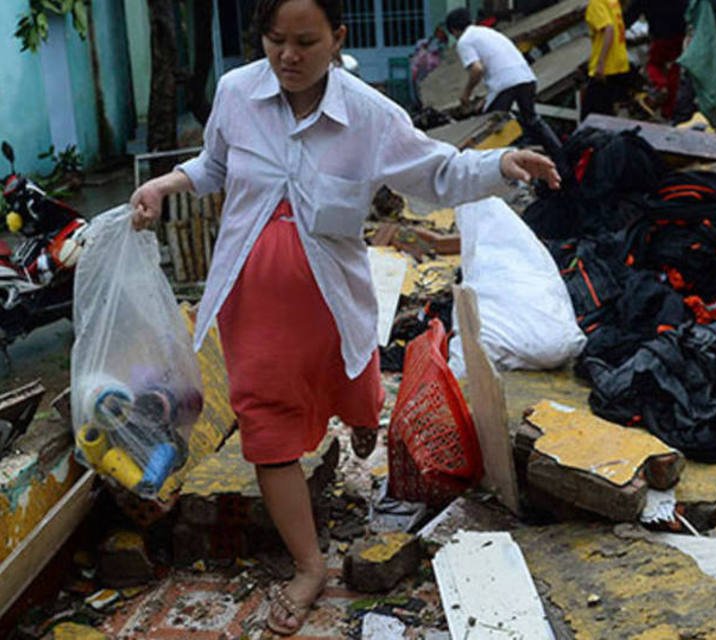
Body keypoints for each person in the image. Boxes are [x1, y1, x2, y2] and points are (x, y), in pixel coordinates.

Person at [129, 0, 560, 635]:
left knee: (355, 387)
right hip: (255, 304)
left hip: (334, 301)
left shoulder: (369, 115)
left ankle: (358, 419)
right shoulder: (237, 92)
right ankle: (309, 565)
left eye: (306, 42)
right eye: (276, 41)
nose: (288, 57)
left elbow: (435, 173)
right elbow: (214, 166)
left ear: (338, 38)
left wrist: (499, 165)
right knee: (266, 425)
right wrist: (167, 184)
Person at [444, 8, 563, 160]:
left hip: (505, 84)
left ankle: (495, 166)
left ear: (453, 30)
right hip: (526, 77)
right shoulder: (488, 32)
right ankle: (562, 160)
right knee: (532, 120)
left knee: (490, 126)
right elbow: (500, 64)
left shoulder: (464, 40)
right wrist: (488, 98)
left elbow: (477, 69)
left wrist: (466, 94)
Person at [623, 0, 688, 118]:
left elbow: (632, 13)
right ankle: (669, 111)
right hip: (679, 35)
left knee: (653, 65)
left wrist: (620, 26)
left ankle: (660, 86)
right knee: (674, 71)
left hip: (660, 36)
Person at [582, 0, 632, 119]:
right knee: (607, 111)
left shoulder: (595, 4)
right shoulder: (612, 1)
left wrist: (600, 63)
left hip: (606, 67)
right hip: (619, 62)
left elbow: (609, 29)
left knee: (590, 117)